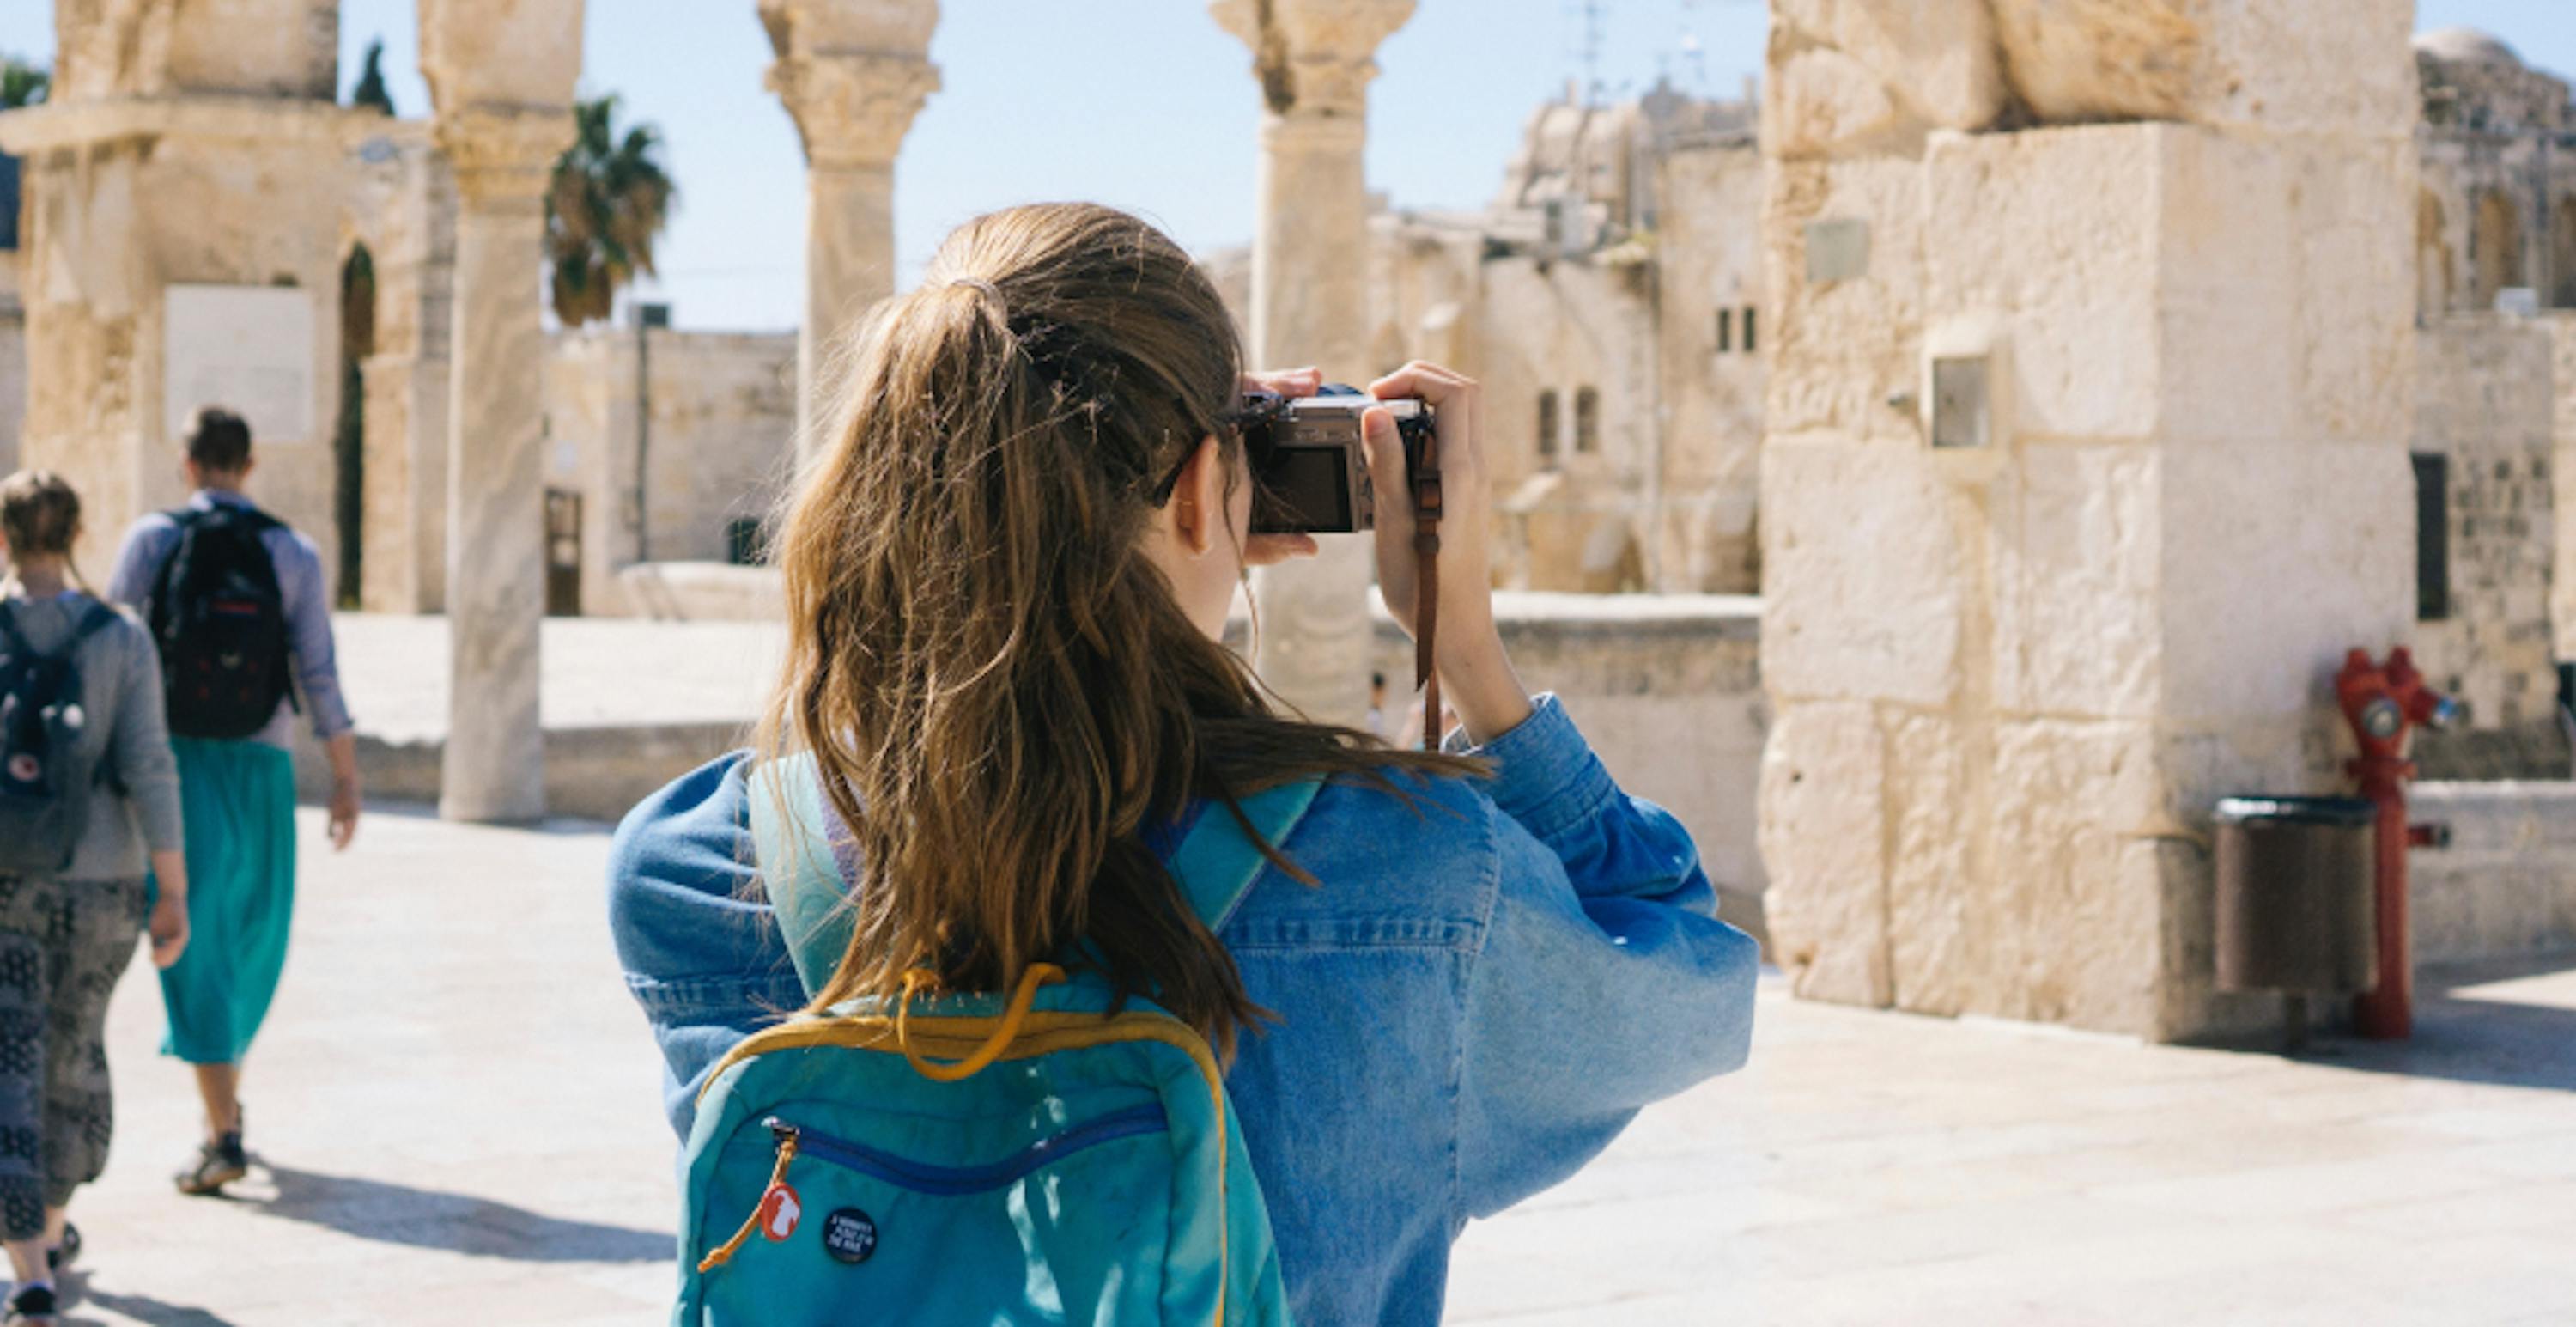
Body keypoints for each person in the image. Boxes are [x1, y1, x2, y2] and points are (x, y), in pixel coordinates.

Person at [607, 204, 1757, 1324]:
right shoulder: (1406, 875)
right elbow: (1689, 982)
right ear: (1210, 485)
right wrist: (1467, 654)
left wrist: (1188, 496)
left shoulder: (698, 871)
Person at [106, 408, 361, 1197]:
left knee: (197, 934)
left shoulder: (151, 539)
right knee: (253, 932)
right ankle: (224, 1123)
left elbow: (114, 649)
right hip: (264, 760)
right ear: (249, 466)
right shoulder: (292, 550)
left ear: (185, 464)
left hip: (174, 761)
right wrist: (345, 775)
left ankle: (221, 1120)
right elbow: (317, 668)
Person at [0, 472, 191, 1326]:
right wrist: (173, 889)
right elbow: (151, 764)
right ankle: (51, 1221)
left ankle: (30, 1267)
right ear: (77, 532)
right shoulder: (121, 636)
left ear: (3, 536)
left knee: (11, 1058)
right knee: (73, 1052)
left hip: (7, 884)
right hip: (106, 883)